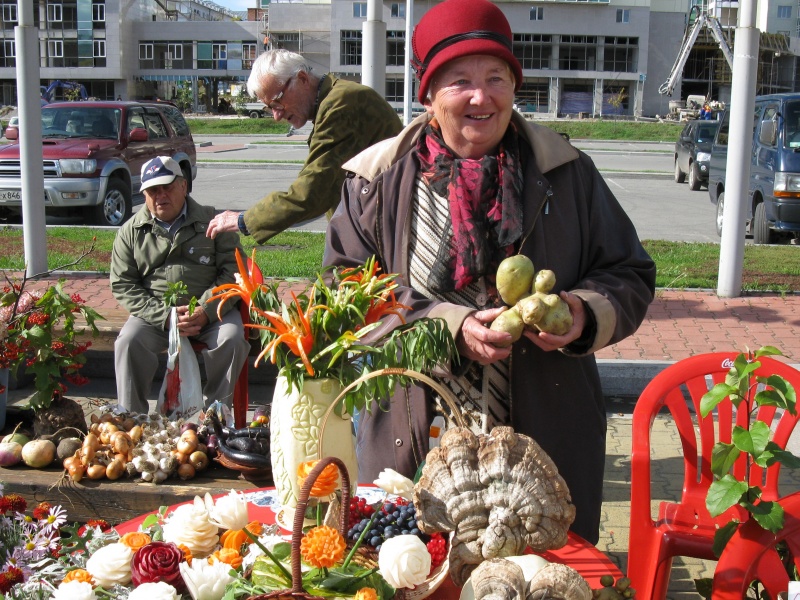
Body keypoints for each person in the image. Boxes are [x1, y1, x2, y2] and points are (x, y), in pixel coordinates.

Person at [323, 0, 656, 545]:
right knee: (415, 567)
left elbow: (629, 272)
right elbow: (346, 290)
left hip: (543, 445)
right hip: (416, 436)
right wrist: (448, 324)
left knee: (542, 573)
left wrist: (582, 314)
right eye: (460, 81)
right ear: (429, 95)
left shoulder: (565, 172)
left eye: (496, 78)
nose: (481, 97)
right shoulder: (374, 181)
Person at [206, 49, 402, 243]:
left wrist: (245, 220)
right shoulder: (334, 99)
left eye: (277, 102)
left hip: (384, 235)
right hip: (378, 230)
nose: (277, 116)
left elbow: (314, 190)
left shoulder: (341, 103)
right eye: (270, 108)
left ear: (302, 79)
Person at [111, 156, 250, 414]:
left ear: (184, 186)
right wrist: (165, 316)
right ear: (144, 194)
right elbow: (123, 284)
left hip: (211, 312)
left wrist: (206, 310)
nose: (161, 196)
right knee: (128, 342)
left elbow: (234, 272)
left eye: (167, 187)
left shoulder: (213, 221)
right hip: (156, 315)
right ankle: (131, 420)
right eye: (153, 190)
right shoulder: (130, 231)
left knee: (232, 339)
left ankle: (217, 417)